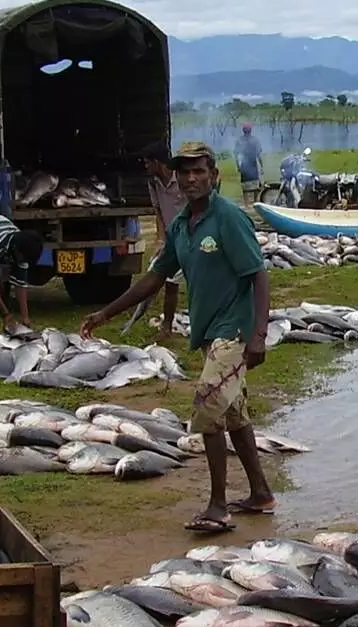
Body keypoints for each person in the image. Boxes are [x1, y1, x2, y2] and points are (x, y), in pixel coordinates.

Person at [80, 141, 275, 533]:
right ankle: (260, 493)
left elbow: (258, 274)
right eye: (184, 171)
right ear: (177, 177)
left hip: (233, 331)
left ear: (214, 175)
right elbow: (155, 276)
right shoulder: (184, 224)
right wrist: (106, 312)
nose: (191, 178)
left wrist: (258, 334)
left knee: (207, 407)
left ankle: (218, 505)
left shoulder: (228, 218)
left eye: (199, 170)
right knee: (233, 414)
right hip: (209, 335)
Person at [147, 153, 184, 339]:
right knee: (162, 279)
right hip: (171, 240)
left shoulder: (182, 179)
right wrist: (161, 240)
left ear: (156, 161)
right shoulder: (153, 183)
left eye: (147, 162)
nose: (145, 166)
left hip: (189, 237)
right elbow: (159, 212)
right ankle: (167, 326)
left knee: (176, 282)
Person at [233, 122, 264, 207]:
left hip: (244, 165)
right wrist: (261, 166)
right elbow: (259, 155)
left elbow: (236, 155)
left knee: (245, 185)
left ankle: (246, 204)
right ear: (251, 130)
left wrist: (238, 165)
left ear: (243, 131)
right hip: (253, 164)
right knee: (255, 185)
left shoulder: (240, 140)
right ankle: (255, 202)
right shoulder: (255, 140)